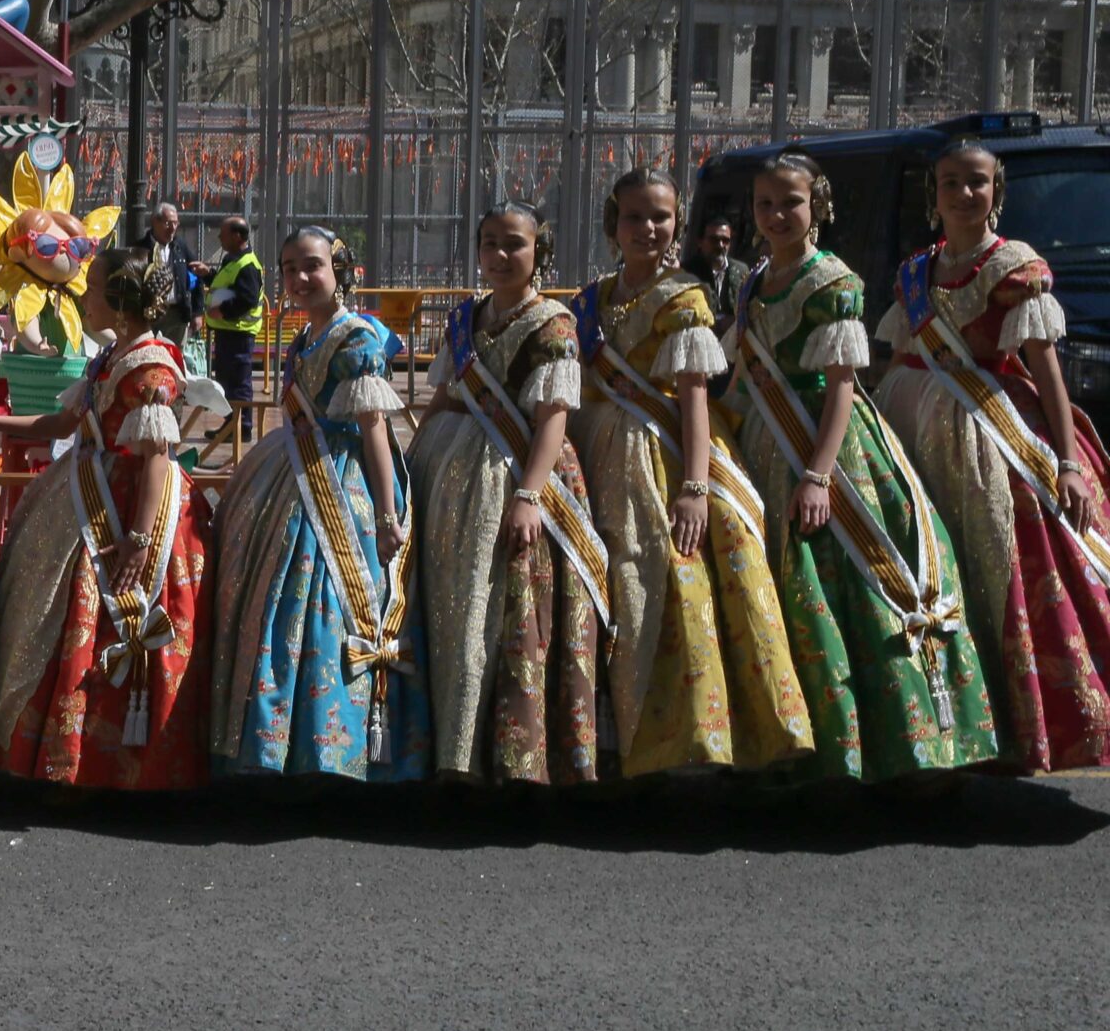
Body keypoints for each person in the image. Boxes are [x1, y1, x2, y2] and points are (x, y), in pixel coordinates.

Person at [722, 150, 996, 781]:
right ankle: (788, 745)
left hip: (828, 447)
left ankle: (883, 748)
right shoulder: (753, 281)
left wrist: (819, 475)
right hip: (765, 443)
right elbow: (742, 377)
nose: (776, 214)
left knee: (849, 587)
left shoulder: (834, 283)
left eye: (790, 202)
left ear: (817, 204)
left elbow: (844, 383)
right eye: (765, 203)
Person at [568, 170, 812, 779]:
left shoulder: (684, 299)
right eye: (634, 217)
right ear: (612, 223)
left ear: (679, 223)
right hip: (593, 454)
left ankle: (680, 746)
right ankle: (604, 741)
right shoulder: (591, 299)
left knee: (662, 585)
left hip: (660, 459)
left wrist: (696, 489)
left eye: (661, 217)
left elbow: (695, 398)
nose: (648, 229)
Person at [876, 138, 1107, 772]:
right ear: (935, 194)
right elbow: (901, 357)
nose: (962, 193)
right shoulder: (915, 274)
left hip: (995, 442)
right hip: (916, 432)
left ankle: (1023, 728)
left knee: (1010, 567)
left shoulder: (1015, 268)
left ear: (995, 193)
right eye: (950, 182)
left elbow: (1047, 373)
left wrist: (1067, 463)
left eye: (976, 182)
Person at [0, 246, 213, 789]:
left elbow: (155, 456)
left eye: (93, 284)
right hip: (89, 489)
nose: (82, 293)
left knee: (108, 612)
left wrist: (139, 539)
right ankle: (64, 759)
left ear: (119, 302)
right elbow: (65, 422)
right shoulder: (112, 356)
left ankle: (111, 766)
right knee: (60, 618)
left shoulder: (151, 365)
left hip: (131, 506)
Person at [207, 228, 421, 778]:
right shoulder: (305, 337)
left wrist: (387, 515)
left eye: (312, 267)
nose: (299, 279)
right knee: (279, 608)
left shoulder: (358, 340)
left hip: (342, 487)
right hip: (292, 475)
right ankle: (284, 748)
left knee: (327, 607)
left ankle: (337, 751)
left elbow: (374, 428)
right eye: (288, 269)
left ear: (340, 270)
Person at [408, 203, 610, 785]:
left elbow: (552, 419)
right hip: (450, 482)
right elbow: (446, 397)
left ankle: (509, 764)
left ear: (538, 253)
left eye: (513, 244)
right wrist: (411, 465)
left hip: (518, 477)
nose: (499, 255)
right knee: (450, 612)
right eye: (489, 242)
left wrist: (529, 494)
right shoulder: (464, 319)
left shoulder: (552, 324)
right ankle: (447, 753)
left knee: (508, 613)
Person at [201, 216, 266, 441]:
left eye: (224, 233)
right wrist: (208, 275)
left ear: (238, 236)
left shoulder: (248, 265)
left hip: (239, 332)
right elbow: (227, 287)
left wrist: (224, 311)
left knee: (239, 383)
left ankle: (242, 427)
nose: (219, 237)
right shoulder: (233, 259)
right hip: (228, 331)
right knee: (228, 381)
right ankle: (232, 425)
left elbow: (246, 298)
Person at [134, 203, 202, 343]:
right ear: (154, 221)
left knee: (175, 357)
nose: (172, 228)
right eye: (167, 223)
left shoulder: (180, 247)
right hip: (150, 315)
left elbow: (197, 275)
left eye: (175, 223)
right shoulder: (141, 248)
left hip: (177, 315)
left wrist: (197, 313)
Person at [682, 213, 750, 343]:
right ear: (700, 242)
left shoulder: (741, 271)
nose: (720, 245)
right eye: (714, 240)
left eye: (725, 240)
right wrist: (716, 323)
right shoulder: (687, 272)